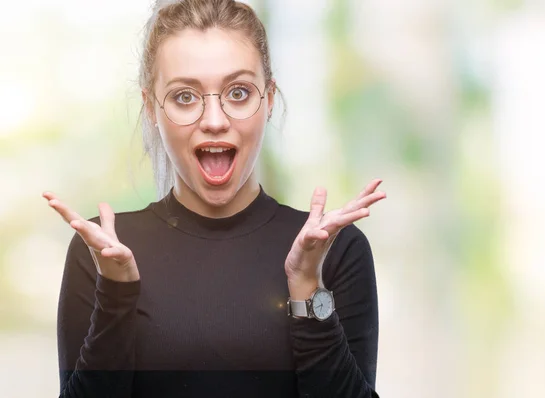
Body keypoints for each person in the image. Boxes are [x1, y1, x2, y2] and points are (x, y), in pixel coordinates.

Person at [42, 0, 386, 397]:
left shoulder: (335, 251)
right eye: (185, 97)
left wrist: (307, 288)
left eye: (238, 92)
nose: (214, 120)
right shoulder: (102, 254)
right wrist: (116, 293)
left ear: (269, 99)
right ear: (152, 106)